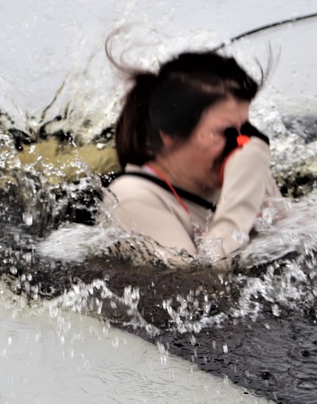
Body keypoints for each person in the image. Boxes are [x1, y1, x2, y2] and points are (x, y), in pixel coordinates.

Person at [99, 45, 280, 264]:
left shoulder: (240, 169)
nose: (242, 145)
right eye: (227, 133)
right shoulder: (131, 198)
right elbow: (203, 286)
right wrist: (244, 195)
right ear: (170, 135)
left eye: (247, 130)